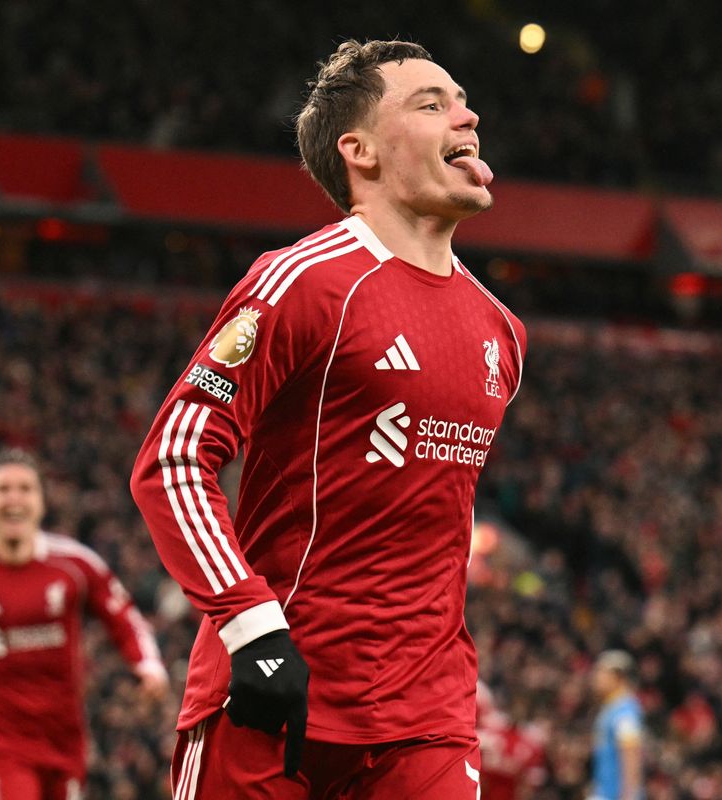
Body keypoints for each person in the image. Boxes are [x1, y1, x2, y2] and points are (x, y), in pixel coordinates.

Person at [130, 37, 525, 799]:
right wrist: (251, 627)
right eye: (431, 103)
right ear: (362, 151)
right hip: (273, 693)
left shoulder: (501, 331)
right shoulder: (304, 283)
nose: (467, 115)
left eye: (463, 100)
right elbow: (174, 458)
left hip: (428, 718)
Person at [0, 449, 168, 800]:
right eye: (2, 489)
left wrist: (148, 665)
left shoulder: (76, 566)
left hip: (64, 735)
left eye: (24, 489)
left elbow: (123, 616)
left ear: (41, 502)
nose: (13, 499)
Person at [590, 650, 646, 800]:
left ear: (618, 676)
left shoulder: (625, 712)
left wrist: (628, 796)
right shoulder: (611, 708)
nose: (596, 677)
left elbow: (630, 754)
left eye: (601, 671)